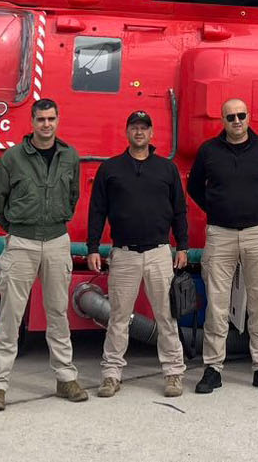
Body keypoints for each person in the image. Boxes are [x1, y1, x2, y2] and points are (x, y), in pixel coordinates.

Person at [0, 99, 86, 411]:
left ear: (58, 120)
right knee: (11, 317)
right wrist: (14, 224)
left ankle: (65, 378)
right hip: (22, 242)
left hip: (57, 241)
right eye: (41, 119)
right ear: (32, 121)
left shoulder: (69, 157)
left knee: (57, 314)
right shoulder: (12, 158)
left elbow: (73, 194)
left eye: (51, 119)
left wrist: (59, 216)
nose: (46, 124)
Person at [186, 98, 258, 394]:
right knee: (216, 305)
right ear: (223, 120)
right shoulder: (209, 151)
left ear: (248, 116)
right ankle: (213, 368)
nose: (236, 121)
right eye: (230, 116)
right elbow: (195, 188)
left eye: (240, 115)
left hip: (257, 233)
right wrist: (216, 210)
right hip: (220, 234)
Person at [86, 110, 190, 399]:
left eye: (144, 128)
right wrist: (92, 247)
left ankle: (173, 374)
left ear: (152, 133)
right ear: (127, 132)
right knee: (118, 317)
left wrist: (182, 245)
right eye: (134, 127)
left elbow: (179, 210)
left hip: (159, 253)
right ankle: (111, 375)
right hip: (124, 254)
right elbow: (97, 211)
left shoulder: (166, 169)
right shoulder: (111, 169)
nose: (139, 132)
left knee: (166, 317)